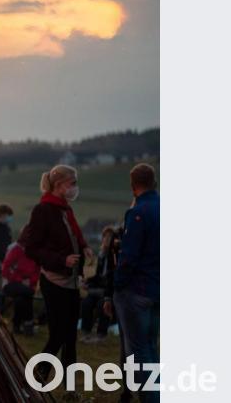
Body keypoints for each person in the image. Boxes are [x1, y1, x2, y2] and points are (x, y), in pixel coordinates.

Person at [22, 164, 93, 390]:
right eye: (72, 183)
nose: (75, 188)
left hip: (70, 281)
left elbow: (72, 237)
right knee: (59, 333)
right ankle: (38, 375)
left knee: (70, 335)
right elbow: (31, 248)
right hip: (54, 281)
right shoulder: (43, 211)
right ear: (60, 185)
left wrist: (84, 249)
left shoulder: (65, 210)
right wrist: (61, 260)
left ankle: (70, 386)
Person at [107, 163, 160, 403]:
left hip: (136, 290)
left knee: (138, 352)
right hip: (158, 288)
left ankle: (151, 399)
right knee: (151, 347)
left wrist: (117, 285)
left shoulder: (138, 213)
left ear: (132, 186)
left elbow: (129, 257)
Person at [79, 226, 118, 344]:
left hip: (109, 291)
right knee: (86, 303)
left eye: (108, 238)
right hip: (99, 289)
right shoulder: (101, 255)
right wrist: (87, 282)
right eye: (104, 237)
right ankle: (86, 332)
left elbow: (111, 277)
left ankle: (101, 334)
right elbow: (98, 276)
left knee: (103, 304)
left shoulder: (115, 256)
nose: (105, 240)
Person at [1, 229, 40, 336]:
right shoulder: (16, 250)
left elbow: (36, 272)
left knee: (21, 299)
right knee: (28, 293)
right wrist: (20, 280)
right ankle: (29, 324)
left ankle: (17, 326)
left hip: (26, 286)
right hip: (11, 284)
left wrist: (31, 282)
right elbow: (5, 268)